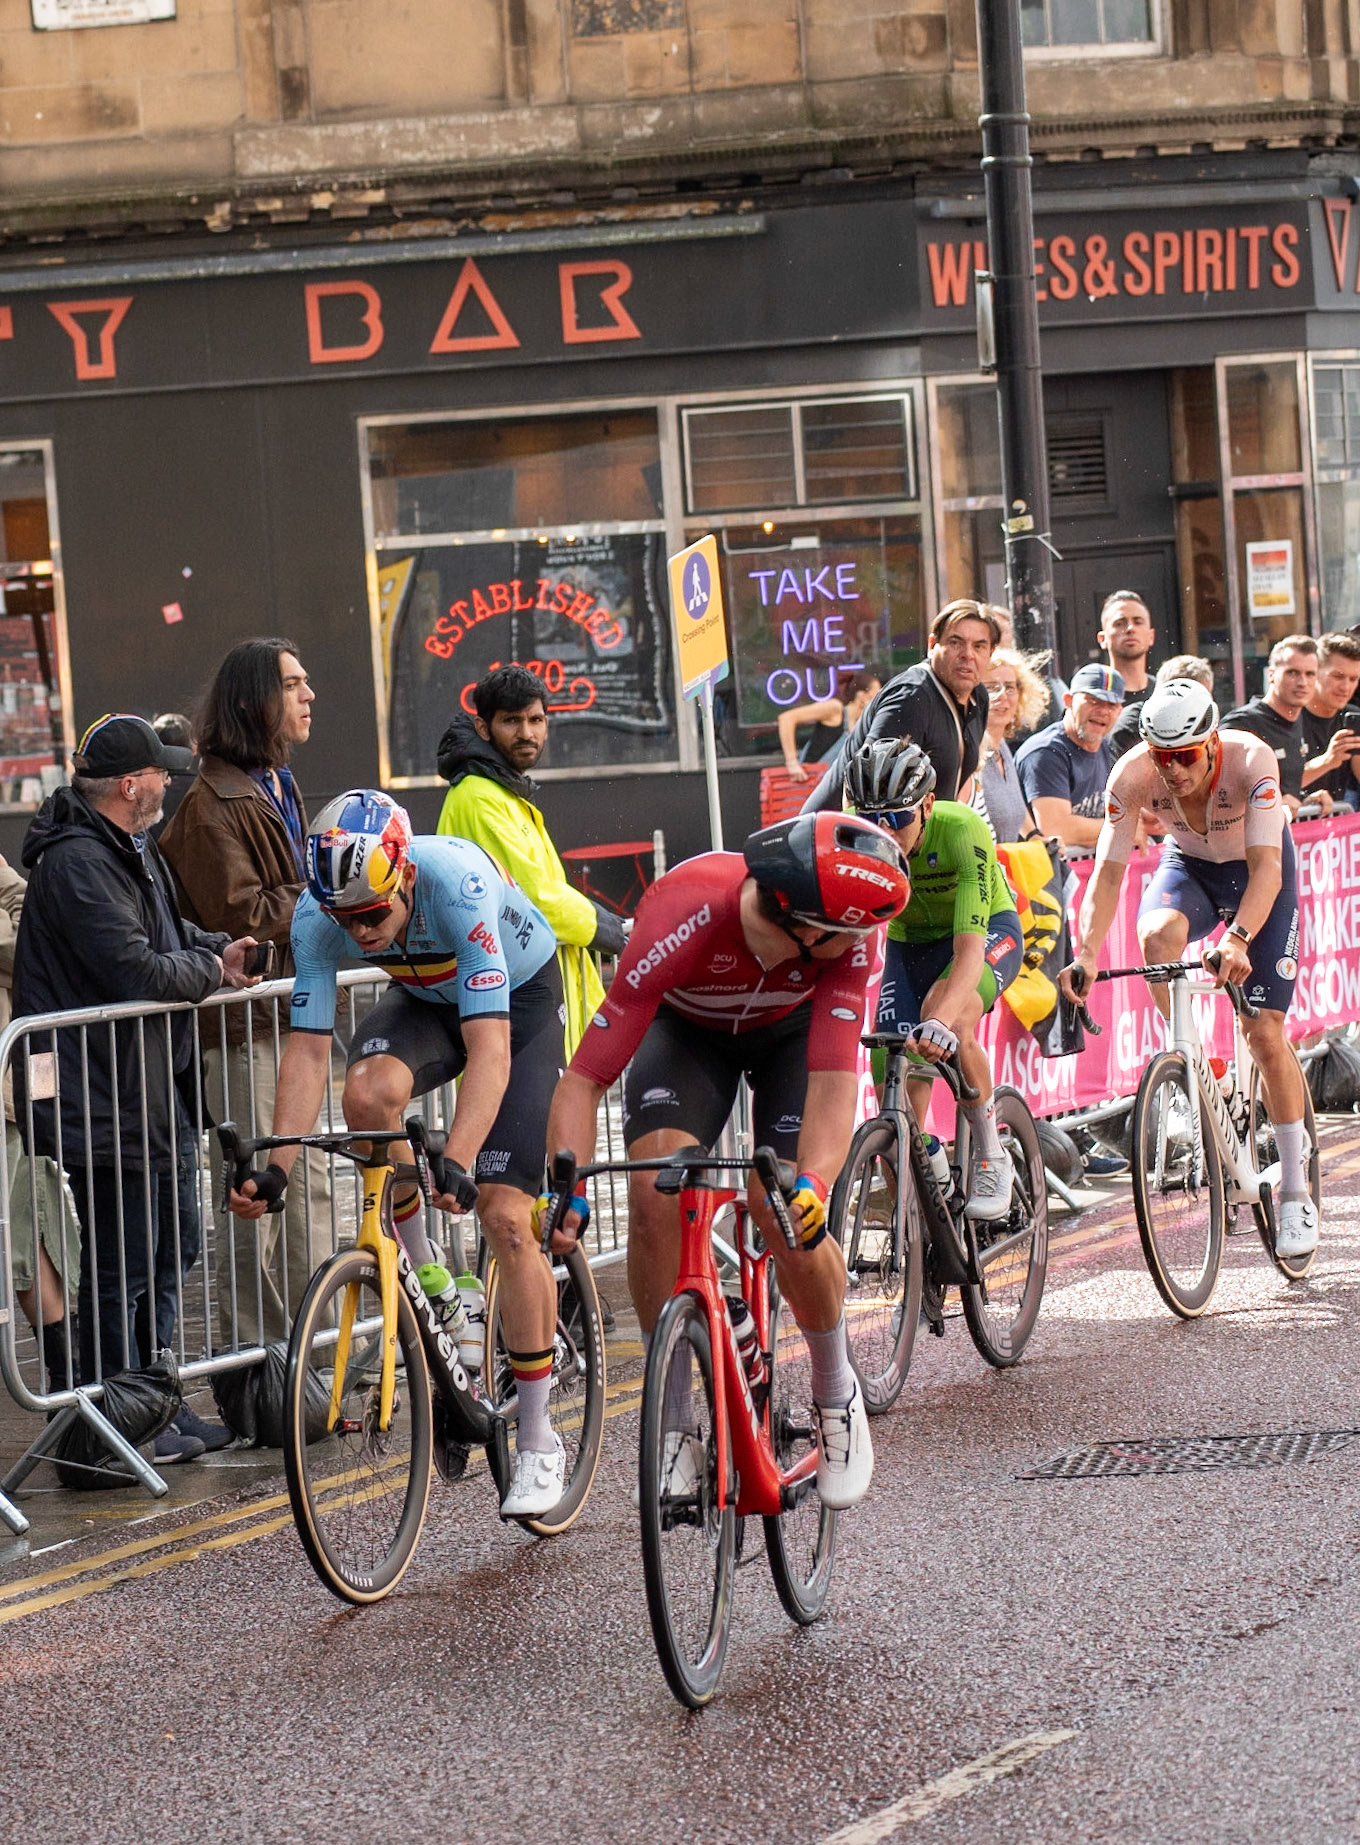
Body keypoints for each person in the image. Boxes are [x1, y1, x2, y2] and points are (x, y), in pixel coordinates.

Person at [544, 812, 912, 1509]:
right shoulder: (681, 913)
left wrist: (816, 1181)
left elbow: (835, 1077)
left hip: (791, 1040)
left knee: (784, 1208)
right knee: (657, 1193)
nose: (861, 943)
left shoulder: (851, 936)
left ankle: (837, 1393)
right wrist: (568, 1185)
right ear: (800, 919)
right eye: (846, 934)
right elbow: (583, 1078)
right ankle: (677, 1424)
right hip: (690, 1036)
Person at [227, 790, 571, 1519]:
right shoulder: (323, 913)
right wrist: (278, 1167)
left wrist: (462, 1158)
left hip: (522, 1001)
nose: (362, 933)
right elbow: (309, 1048)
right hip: (426, 995)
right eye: (348, 921)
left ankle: (540, 1437)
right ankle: (438, 1280)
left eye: (373, 916)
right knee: (367, 1096)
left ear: (404, 874)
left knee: (508, 1217)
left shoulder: (457, 884)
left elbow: (492, 1051)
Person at [13, 715, 258, 1458]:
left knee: (169, 1246)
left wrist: (220, 949)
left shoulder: (130, 844)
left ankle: (157, 1405)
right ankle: (117, 1426)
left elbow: (170, 936)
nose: (168, 782)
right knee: (118, 1268)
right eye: (160, 773)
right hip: (100, 1102)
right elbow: (139, 969)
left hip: (146, 1094)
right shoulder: (78, 862)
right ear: (129, 785)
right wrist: (210, 974)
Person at [1060, 679, 1317, 1258]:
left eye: (1184, 757)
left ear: (1210, 743)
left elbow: (1268, 873)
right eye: (1161, 757)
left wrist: (1239, 938)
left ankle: (1296, 1190)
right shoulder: (1131, 774)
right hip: (1191, 868)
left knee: (1264, 1030)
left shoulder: (1251, 760)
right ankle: (1202, 1071)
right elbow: (1106, 873)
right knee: (1155, 935)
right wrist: (1086, 954)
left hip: (1260, 874)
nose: (1172, 771)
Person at [160, 638, 329, 1351]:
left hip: (294, 1022)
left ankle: (319, 1351)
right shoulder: (208, 806)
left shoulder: (274, 786)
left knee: (309, 1194)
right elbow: (244, 921)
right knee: (256, 1200)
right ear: (251, 701)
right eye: (291, 684)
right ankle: (257, 1370)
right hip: (244, 1029)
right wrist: (330, 892)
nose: (308, 695)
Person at [845, 738, 1023, 1218]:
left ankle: (991, 1152)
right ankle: (922, 1213)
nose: (884, 831)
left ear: (926, 805)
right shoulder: (855, 837)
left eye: (898, 818)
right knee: (893, 1090)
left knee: (949, 1019)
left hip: (984, 933)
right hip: (910, 943)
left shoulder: (960, 830)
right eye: (870, 819)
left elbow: (968, 950)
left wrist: (940, 1019)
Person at [436, 663, 627, 1056]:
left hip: (537, 1012)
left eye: (536, 719)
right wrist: (613, 931)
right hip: (519, 1013)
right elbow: (536, 900)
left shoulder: (502, 791)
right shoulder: (478, 796)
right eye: (512, 721)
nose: (527, 733)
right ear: (483, 728)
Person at [801, 600, 999, 814]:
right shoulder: (912, 697)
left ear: (991, 652)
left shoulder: (978, 697)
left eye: (979, 646)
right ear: (932, 645)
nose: (967, 654)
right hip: (842, 837)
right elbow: (868, 791)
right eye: (955, 642)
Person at [1015, 664, 1126, 848]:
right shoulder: (1045, 752)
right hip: (1035, 871)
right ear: (1068, 700)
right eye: (1094, 700)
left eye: (1112, 705)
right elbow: (1056, 829)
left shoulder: (1106, 748)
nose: (1103, 711)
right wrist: (1124, 826)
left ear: (1120, 711)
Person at [1220, 635, 1318, 818]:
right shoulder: (1241, 724)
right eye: (1292, 673)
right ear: (1271, 674)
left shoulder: (1301, 719)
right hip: (1243, 841)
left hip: (1284, 839)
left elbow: (1284, 786)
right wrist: (1272, 804)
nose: (1302, 682)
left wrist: (1307, 800)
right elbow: (1216, 789)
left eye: (1310, 674)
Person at [974, 649, 1051, 844]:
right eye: (991, 687)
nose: (1003, 696)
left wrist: (1034, 836)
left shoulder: (1003, 748)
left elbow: (1011, 804)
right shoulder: (971, 753)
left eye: (1010, 687)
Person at [777, 669, 881, 782]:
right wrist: (792, 763)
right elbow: (786, 718)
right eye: (876, 696)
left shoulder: (861, 728)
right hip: (809, 784)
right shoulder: (835, 709)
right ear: (862, 696)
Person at [1301, 632, 1360, 810]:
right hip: (1288, 830)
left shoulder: (1352, 718)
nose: (1346, 687)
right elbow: (1269, 784)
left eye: (1354, 679)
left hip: (1334, 832)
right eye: (1338, 676)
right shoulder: (1288, 716)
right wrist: (1327, 761)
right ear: (1315, 671)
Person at [1098, 593, 1156, 758]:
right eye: (1119, 623)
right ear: (1102, 639)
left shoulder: (1164, 694)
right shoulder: (1088, 701)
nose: (1130, 628)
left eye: (1138, 622)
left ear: (1151, 636)